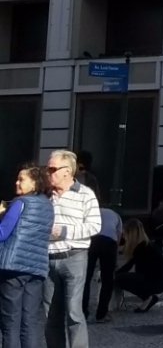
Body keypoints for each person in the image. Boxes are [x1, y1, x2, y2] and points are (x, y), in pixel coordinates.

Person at [44, 149, 102, 348]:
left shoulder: (85, 195)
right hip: (48, 258)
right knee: (50, 314)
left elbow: (95, 226)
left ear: (67, 171)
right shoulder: (45, 195)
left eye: (52, 169)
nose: (48, 173)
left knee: (73, 312)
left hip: (74, 257)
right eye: (47, 168)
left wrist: (64, 231)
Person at [0, 163, 54, 348]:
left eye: (21, 179)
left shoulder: (20, 203)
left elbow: (2, 233)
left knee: (10, 323)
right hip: (36, 269)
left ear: (35, 183)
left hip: (13, 267)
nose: (16, 182)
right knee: (30, 322)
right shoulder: (48, 206)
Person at [113, 219, 163, 312]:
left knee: (119, 279)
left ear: (131, 234)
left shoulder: (141, 248)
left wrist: (114, 276)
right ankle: (148, 298)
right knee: (121, 277)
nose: (123, 236)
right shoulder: (146, 245)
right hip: (160, 281)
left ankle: (147, 297)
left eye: (125, 233)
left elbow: (128, 266)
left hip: (154, 282)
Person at [82, 201, 121, 323]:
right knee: (107, 280)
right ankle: (101, 314)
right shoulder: (116, 215)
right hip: (109, 243)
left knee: (85, 279)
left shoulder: (90, 213)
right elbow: (118, 237)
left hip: (91, 241)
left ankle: (83, 313)